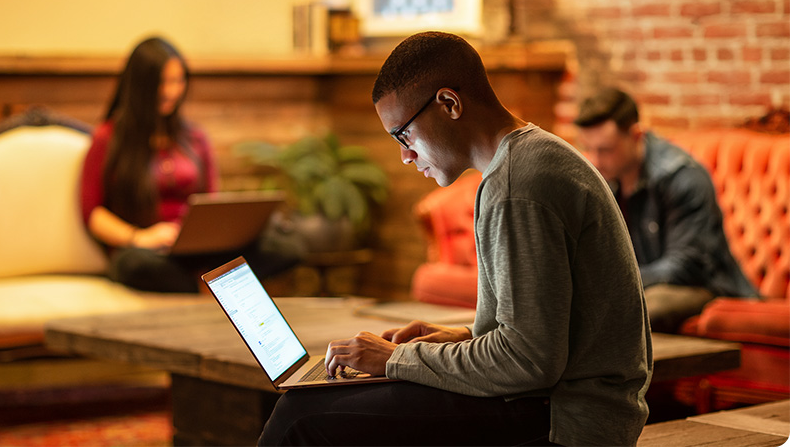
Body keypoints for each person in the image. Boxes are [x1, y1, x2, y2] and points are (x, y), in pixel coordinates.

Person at [259, 32, 651, 446]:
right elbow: (542, 333)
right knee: (329, 402)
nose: (405, 156)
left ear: (449, 104)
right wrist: (461, 336)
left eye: (403, 134)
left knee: (300, 416)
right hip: (557, 402)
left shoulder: (517, 185)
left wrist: (398, 358)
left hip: (569, 421)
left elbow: (529, 361)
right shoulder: (528, 159)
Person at [81, 36, 294, 293]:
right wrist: (140, 237)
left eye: (177, 81)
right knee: (134, 264)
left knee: (286, 246)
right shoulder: (108, 138)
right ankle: (210, 285)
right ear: (140, 85)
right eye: (162, 82)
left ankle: (205, 280)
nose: (171, 91)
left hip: (197, 249)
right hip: (145, 251)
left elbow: (211, 203)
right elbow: (92, 213)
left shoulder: (195, 138)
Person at [573, 87, 758, 333]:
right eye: (589, 148)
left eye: (605, 149)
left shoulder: (682, 177)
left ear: (636, 135)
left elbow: (684, 267)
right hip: (650, 284)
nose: (595, 160)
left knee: (642, 308)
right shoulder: (607, 178)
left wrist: (612, 282)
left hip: (705, 287)